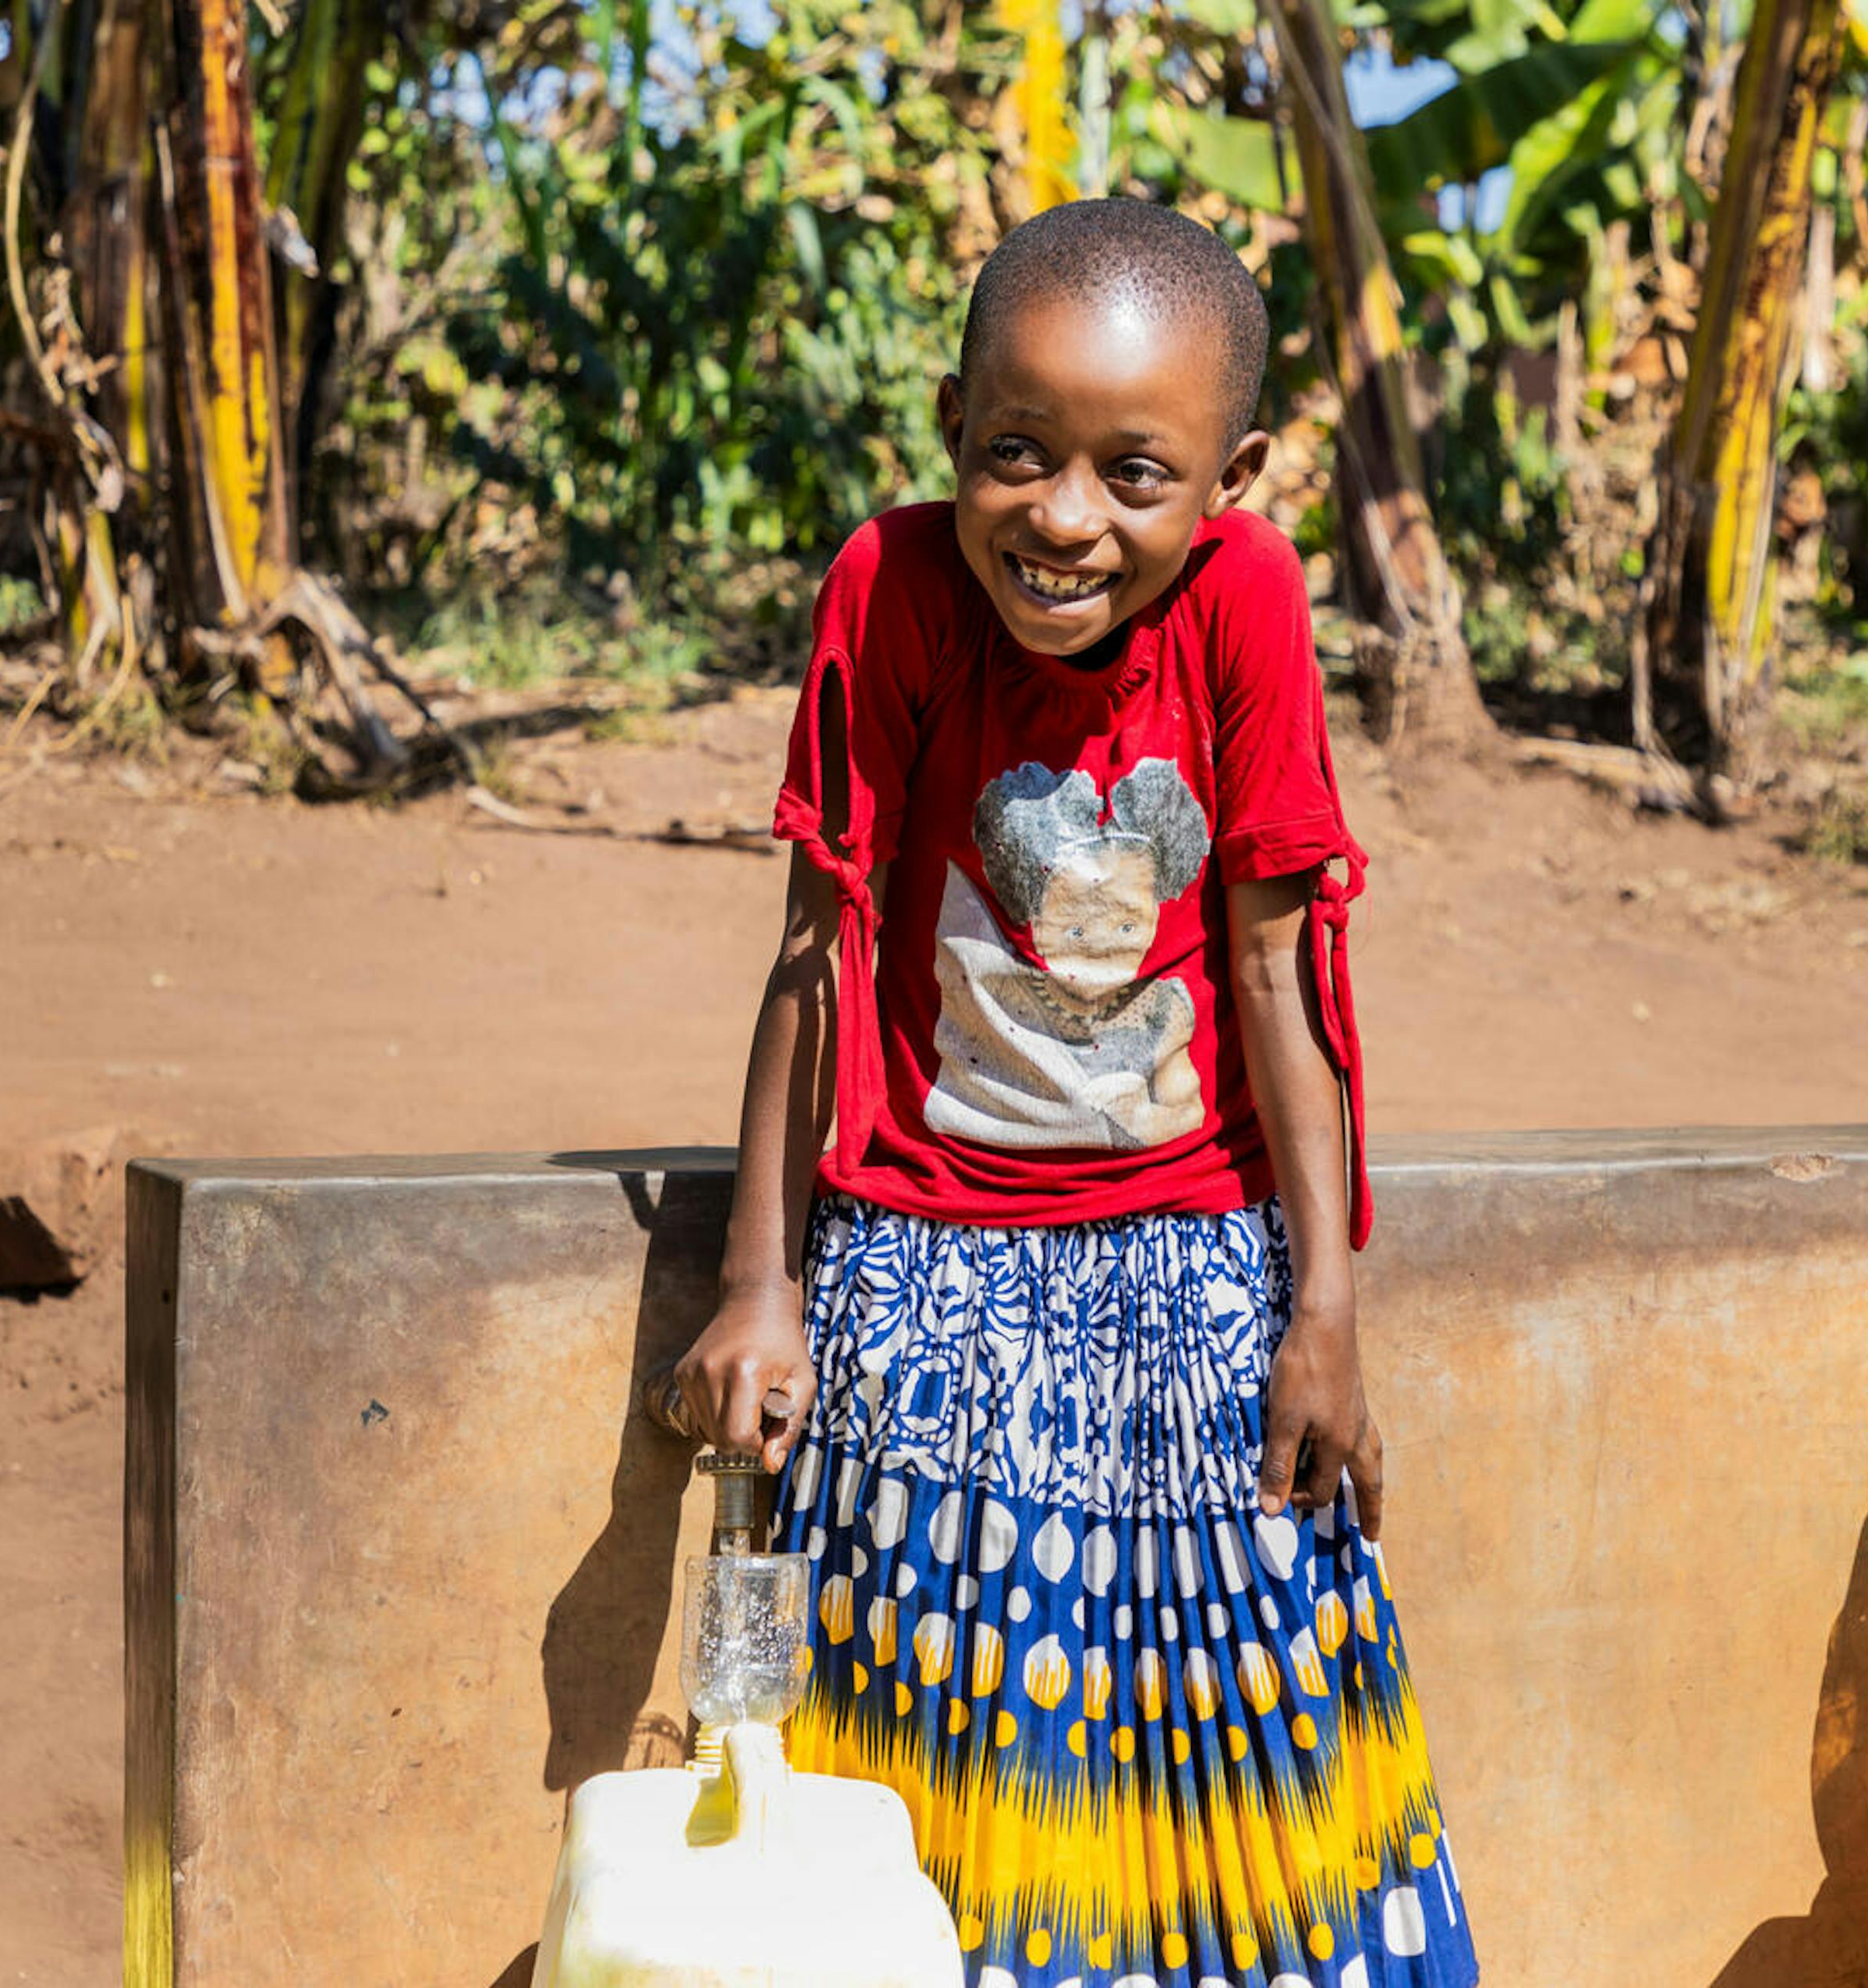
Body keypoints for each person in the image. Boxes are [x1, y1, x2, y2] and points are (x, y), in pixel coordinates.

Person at [668, 198, 1479, 1987]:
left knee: (1258, 1699)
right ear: (952, 425)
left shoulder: (1248, 608)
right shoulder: (885, 591)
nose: (1061, 517)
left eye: (1135, 474)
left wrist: (1323, 1312)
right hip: (925, 1260)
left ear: (1231, 479)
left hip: (1195, 1255)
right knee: (946, 1729)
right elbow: (814, 947)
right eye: (1016, 454)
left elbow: (1276, 969)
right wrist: (758, 1282)